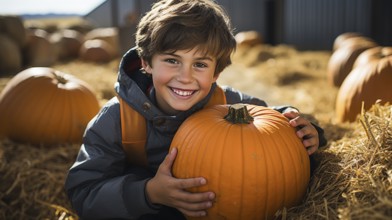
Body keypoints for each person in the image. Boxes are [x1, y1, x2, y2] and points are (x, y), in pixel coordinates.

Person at [65, 0, 327, 219]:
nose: (185, 77)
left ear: (216, 72)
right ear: (146, 62)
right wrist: (148, 193)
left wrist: (304, 128)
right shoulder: (116, 120)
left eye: (200, 64)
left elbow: (270, 117)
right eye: (172, 60)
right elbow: (83, 192)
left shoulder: (226, 102)